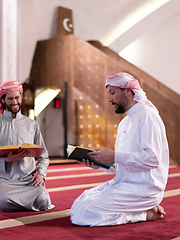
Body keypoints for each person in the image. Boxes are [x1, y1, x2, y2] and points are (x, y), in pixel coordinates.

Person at [70, 72, 169, 226]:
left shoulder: (147, 115)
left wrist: (115, 156)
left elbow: (153, 159)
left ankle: (144, 213)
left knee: (85, 214)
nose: (110, 99)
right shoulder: (125, 122)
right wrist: (101, 163)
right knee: (79, 203)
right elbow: (124, 164)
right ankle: (139, 209)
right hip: (124, 184)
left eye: (113, 93)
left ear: (128, 91)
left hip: (144, 189)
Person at [0, 80, 54, 212]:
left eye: (17, 97)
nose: (14, 102)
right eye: (10, 98)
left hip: (28, 180)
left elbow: (44, 156)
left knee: (44, 201)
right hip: (3, 179)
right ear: (3, 100)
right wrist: (6, 160)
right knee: (3, 203)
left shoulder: (31, 125)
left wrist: (40, 175)